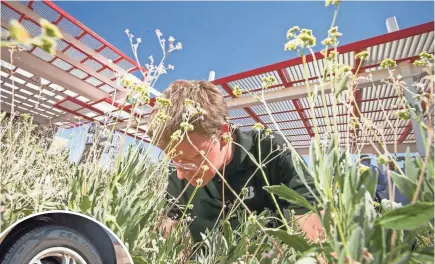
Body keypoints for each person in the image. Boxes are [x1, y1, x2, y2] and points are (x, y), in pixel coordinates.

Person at [146, 80, 322, 247]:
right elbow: (166, 231)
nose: (180, 174)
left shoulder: (272, 152)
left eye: (191, 160)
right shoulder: (178, 168)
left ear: (224, 133)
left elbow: (318, 238)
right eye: (174, 160)